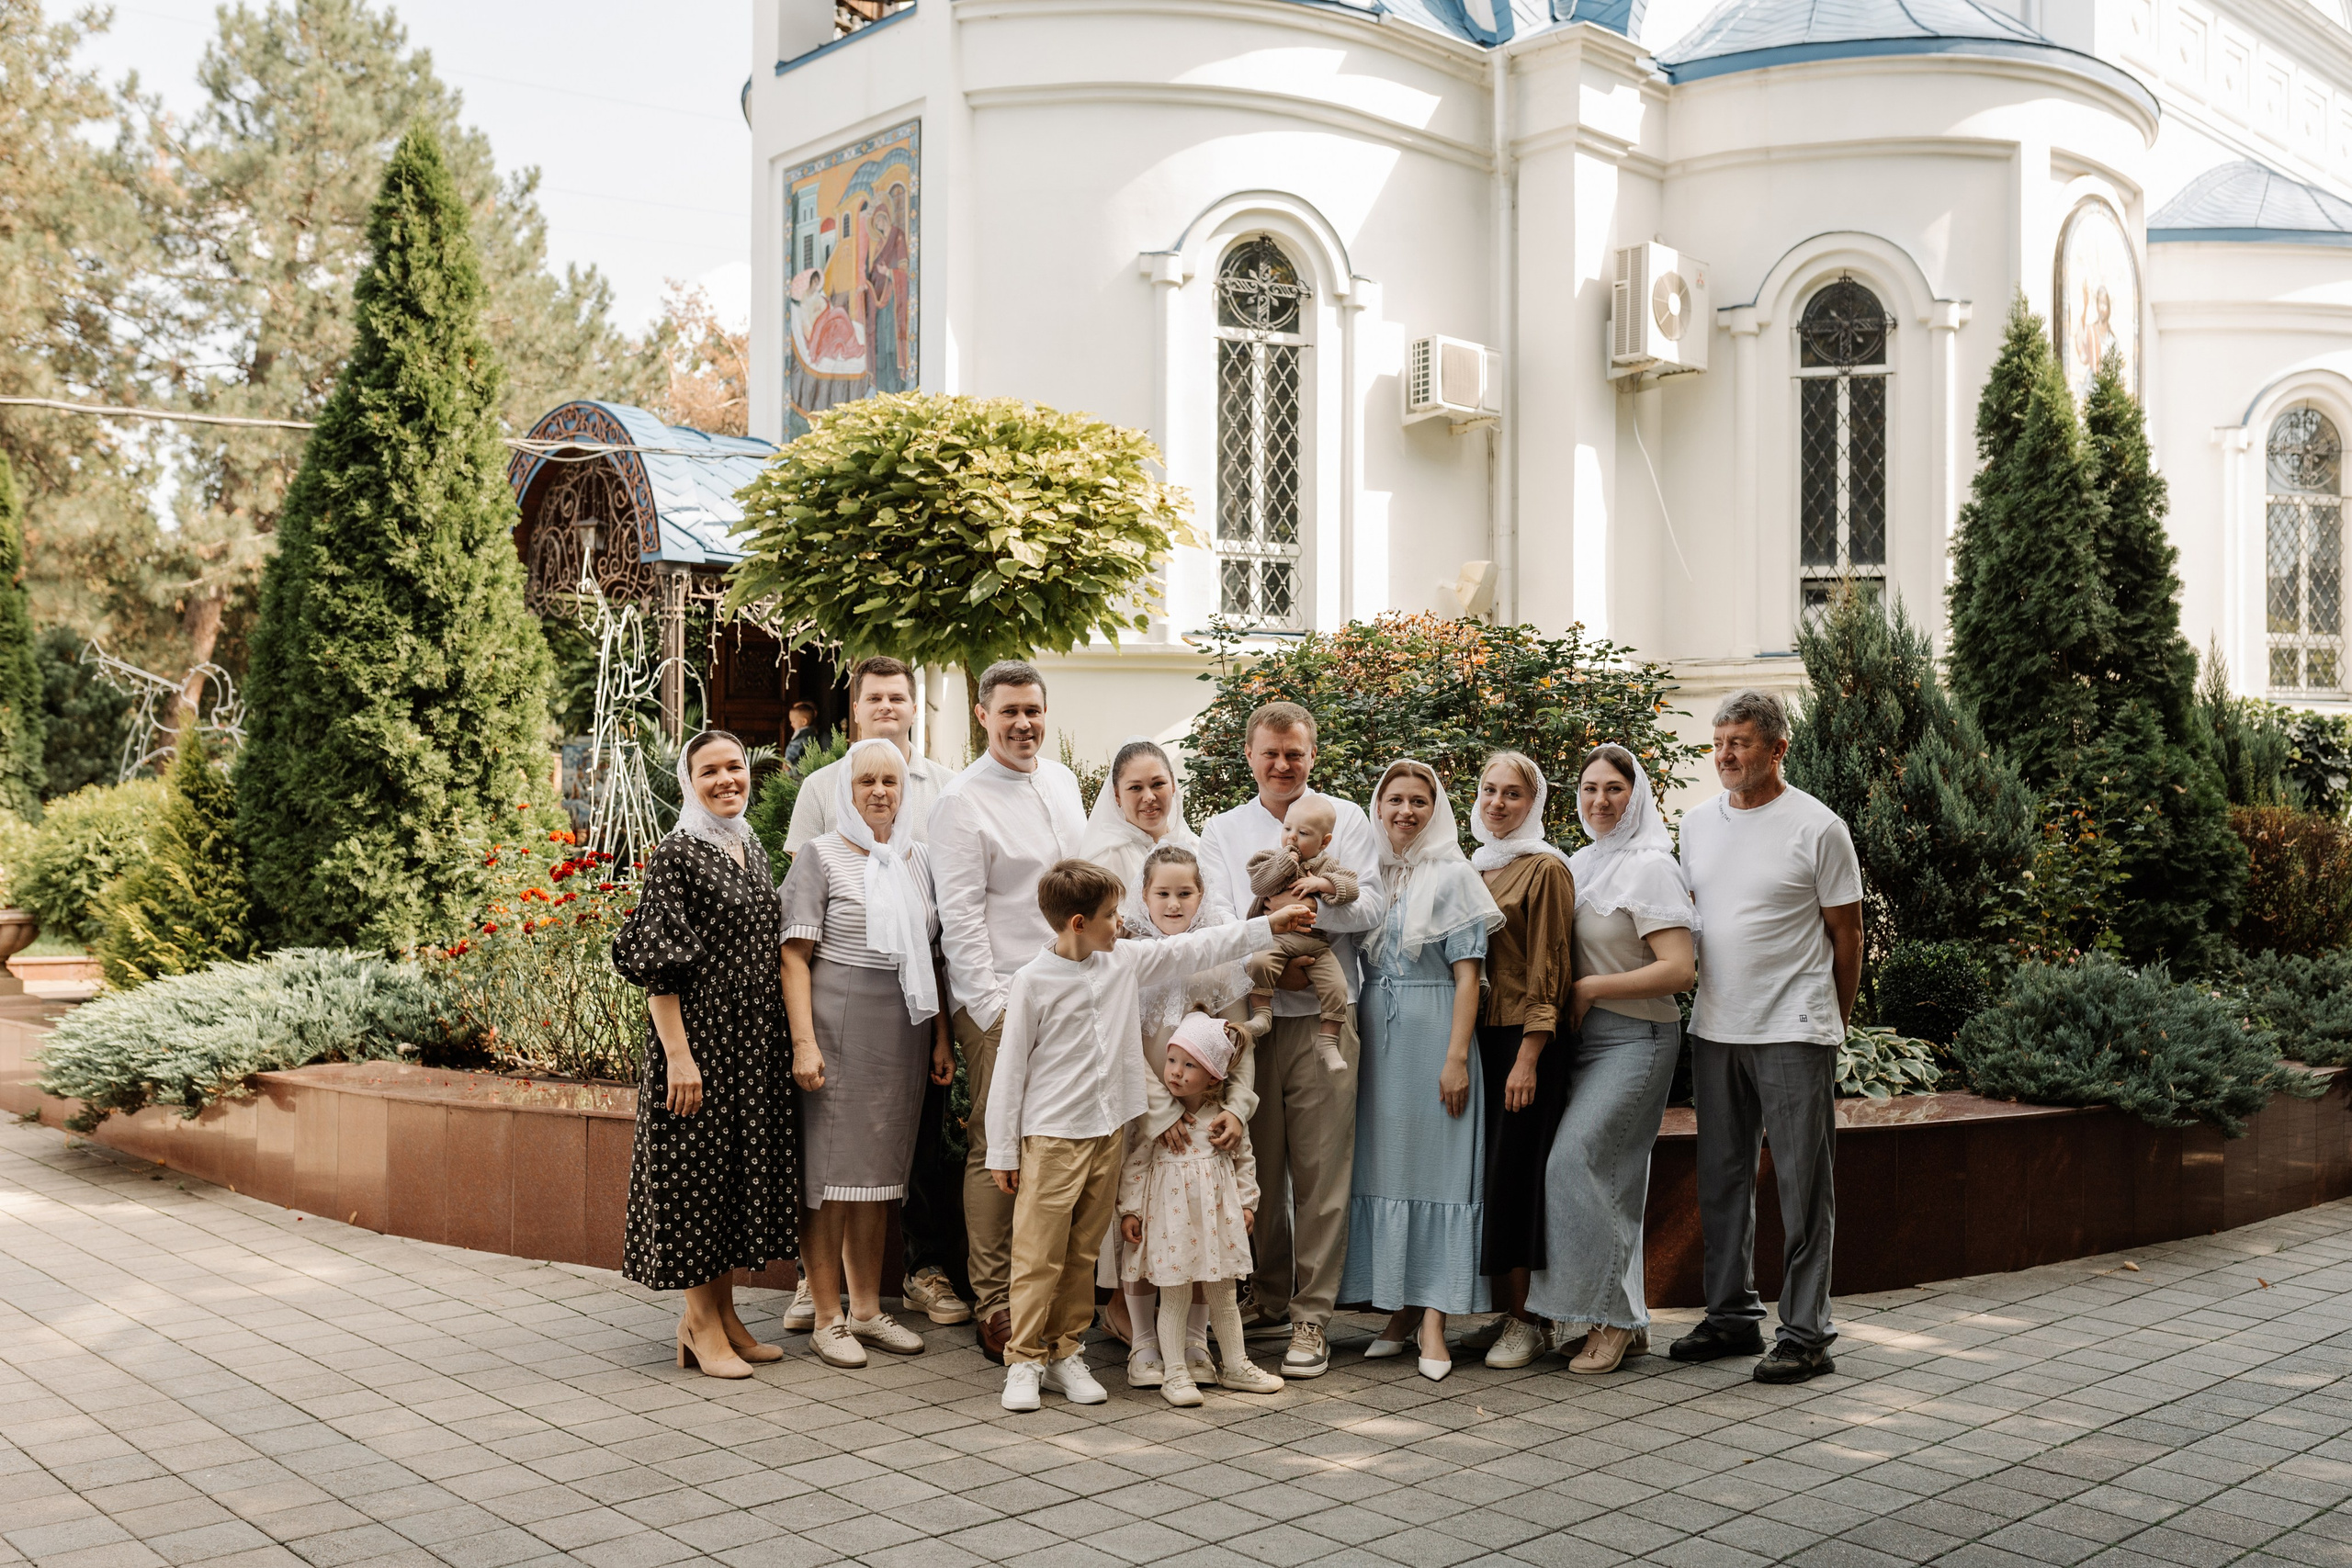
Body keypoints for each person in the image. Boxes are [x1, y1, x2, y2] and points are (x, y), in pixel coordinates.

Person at [983, 860, 1306, 1411]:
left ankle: (1064, 1352)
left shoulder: (1123, 961)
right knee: (1040, 1253)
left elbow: (1195, 949)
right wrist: (1002, 1149)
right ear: (1079, 922)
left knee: (1083, 1251)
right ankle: (1025, 1360)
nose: (1123, 921)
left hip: (1108, 1132)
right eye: (1113, 914)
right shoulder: (1032, 981)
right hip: (1054, 1137)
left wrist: (1267, 928)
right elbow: (1010, 1070)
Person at [1671, 690, 1862, 1385]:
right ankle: (1731, 1315)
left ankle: (1808, 1332)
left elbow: (1849, 934)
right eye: (1719, 742)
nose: (1725, 755)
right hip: (1717, 1026)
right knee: (1721, 1178)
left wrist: (1831, 1021)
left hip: (1793, 1027)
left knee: (1803, 1185)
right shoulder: (1696, 825)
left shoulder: (1818, 827)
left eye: (1741, 742)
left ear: (1778, 748)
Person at [1197, 702, 1386, 1379]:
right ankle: (1268, 1294)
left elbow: (1369, 904)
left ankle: (1313, 1314)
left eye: (1296, 753)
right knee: (1258, 1162)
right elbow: (1218, 909)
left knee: (1321, 1172)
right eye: (1271, 752)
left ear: (1312, 755)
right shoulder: (1222, 829)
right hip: (1252, 1012)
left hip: (1325, 1019)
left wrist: (1312, 908)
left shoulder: (1346, 818)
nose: (1283, 764)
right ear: (1249, 754)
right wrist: (1272, 931)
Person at [782, 654, 964, 1332]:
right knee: (828, 1172)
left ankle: (865, 1308)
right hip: (836, 1027)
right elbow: (795, 950)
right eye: (867, 781)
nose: (880, 791)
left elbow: (934, 946)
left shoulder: (917, 853)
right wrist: (802, 1039)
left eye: (890, 781)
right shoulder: (823, 845)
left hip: (903, 1033)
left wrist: (942, 1035)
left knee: (883, 1175)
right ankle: (823, 1306)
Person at [611, 730, 797, 1380]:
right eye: (710, 770)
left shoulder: (749, 844)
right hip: (697, 1040)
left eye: (735, 766)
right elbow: (659, 969)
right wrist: (679, 1057)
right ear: (690, 782)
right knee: (696, 1178)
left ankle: (725, 1314)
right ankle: (697, 1323)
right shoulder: (677, 854)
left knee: (728, 1177)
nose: (726, 779)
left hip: (750, 1042)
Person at [927, 660, 1088, 1361]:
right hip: (1001, 995)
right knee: (998, 1142)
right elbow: (959, 915)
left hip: (1072, 992)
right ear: (983, 716)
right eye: (1010, 711)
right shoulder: (962, 799)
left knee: (1057, 1139)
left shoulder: (1061, 780)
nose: (1024, 723)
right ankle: (993, 1300)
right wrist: (992, 1011)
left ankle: (1046, 1291)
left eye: (1033, 709)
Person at [1525, 744, 1697, 1373]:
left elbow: (1681, 969)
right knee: (1610, 1178)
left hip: (1638, 1040)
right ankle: (1622, 1317)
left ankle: (1615, 1320)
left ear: (1638, 795)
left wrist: (1592, 988)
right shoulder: (1580, 862)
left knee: (1575, 1162)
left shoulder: (1650, 866)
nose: (1600, 800)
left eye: (1614, 789)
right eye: (1590, 787)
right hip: (1584, 1045)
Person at [1340, 760, 1503, 1382]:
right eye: (1394, 799)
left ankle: (1435, 1313)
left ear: (1436, 810)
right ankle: (1401, 1310)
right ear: (1376, 806)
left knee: (1438, 1172)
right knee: (1385, 1166)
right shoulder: (1366, 873)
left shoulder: (1455, 874)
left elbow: (1469, 975)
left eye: (1419, 800)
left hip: (1437, 1032)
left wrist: (1457, 1056)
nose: (1405, 810)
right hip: (1376, 1037)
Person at [1102, 843, 1259, 1386]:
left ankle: (1194, 1342)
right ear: (1144, 898)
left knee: (1200, 1229)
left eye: (1184, 893)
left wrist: (1237, 1109)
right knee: (1145, 1230)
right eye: (1162, 893)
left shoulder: (1217, 961)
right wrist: (1160, 1111)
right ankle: (1144, 1343)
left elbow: (1240, 1046)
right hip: (1145, 1116)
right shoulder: (1129, 956)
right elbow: (1123, 1043)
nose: (1174, 903)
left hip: (1205, 1119)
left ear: (1201, 896)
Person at [1460, 750, 1575, 1372]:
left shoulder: (1545, 868)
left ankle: (1533, 1320)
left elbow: (1549, 964)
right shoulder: (1477, 865)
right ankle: (1506, 1311)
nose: (1498, 803)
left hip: (1523, 1041)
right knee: (1493, 1173)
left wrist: (1529, 1055)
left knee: (1522, 1173)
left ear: (1535, 803)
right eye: (1489, 790)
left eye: (1513, 793)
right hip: (1481, 1037)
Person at [1117, 1011, 1287, 1407]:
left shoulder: (1222, 1120)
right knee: (1174, 1297)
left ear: (1214, 1076)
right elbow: (1136, 1166)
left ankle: (1236, 1365)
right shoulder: (1159, 1123)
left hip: (1217, 1224)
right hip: (1171, 1226)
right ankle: (1175, 1373)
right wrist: (1131, 1211)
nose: (1174, 1072)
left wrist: (1247, 1204)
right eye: (1172, 1060)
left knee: (1224, 1295)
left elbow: (1245, 1161)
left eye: (1188, 1065)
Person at [1239, 796, 1360, 1072]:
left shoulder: (1328, 866)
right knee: (1258, 963)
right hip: (1276, 938)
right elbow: (1260, 884)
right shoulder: (1270, 858)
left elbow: (1352, 888)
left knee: (1337, 986)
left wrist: (1324, 883)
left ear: (1324, 842)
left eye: (1303, 834)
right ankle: (1262, 1013)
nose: (1292, 837)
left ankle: (1328, 1041)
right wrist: (1286, 861)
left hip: (1314, 944)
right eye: (1287, 829)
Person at [1077, 737, 1195, 892]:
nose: (1149, 797)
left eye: (1158, 784)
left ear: (1173, 785)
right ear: (1117, 795)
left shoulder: (1196, 848)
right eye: (1135, 788)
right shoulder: (1106, 860)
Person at [784, 701, 820, 765]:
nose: (791, 724)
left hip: (797, 769)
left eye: (793, 721)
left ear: (804, 721)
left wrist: (788, 761)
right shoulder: (811, 733)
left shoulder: (804, 736)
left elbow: (795, 748)